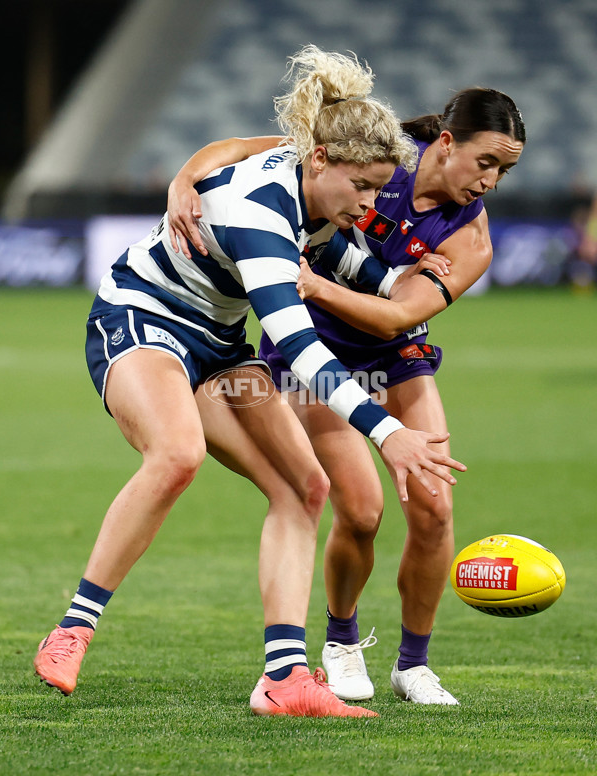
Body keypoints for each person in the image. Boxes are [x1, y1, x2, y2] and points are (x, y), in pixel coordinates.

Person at [33, 45, 467, 719]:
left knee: (306, 486)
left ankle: (284, 679)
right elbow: (299, 347)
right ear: (321, 160)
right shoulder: (260, 215)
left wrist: (394, 282)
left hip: (218, 343)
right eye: (362, 186)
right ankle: (73, 629)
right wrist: (389, 432)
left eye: (378, 188)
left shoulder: (313, 176)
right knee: (177, 454)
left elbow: (329, 247)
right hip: (143, 316)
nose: (369, 203)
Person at [166, 86, 526, 705]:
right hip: (311, 348)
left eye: (504, 171)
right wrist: (183, 181)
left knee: (435, 508)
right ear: (446, 143)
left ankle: (413, 665)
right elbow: (247, 149)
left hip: (392, 352)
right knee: (360, 510)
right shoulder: (380, 152)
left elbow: (397, 317)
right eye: (486, 162)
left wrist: (316, 284)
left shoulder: (471, 238)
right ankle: (341, 640)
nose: (490, 181)